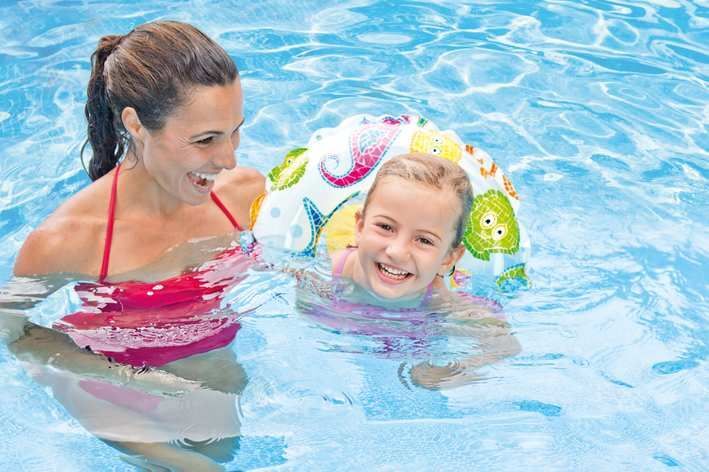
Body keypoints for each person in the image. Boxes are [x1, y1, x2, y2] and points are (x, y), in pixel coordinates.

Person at [2, 20, 264, 469]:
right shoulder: (69, 239)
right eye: (205, 140)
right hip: (110, 387)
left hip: (206, 375)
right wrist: (135, 378)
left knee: (222, 451)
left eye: (234, 131)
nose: (228, 159)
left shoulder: (243, 197)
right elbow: (11, 329)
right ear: (135, 125)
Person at [313, 153, 520, 388]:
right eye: (385, 227)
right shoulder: (329, 274)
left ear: (448, 258)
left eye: (424, 240)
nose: (397, 252)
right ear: (360, 227)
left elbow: (505, 346)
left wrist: (451, 373)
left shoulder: (440, 302)